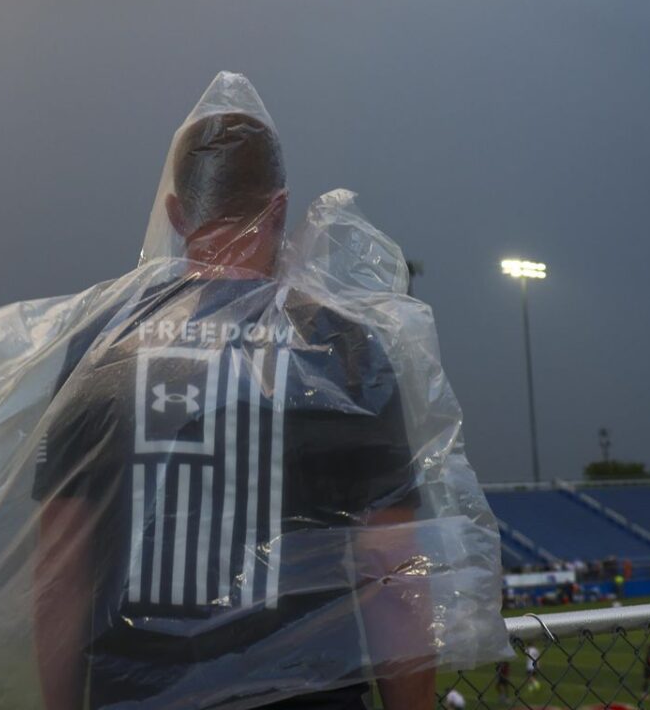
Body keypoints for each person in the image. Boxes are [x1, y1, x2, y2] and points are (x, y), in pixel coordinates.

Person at [32, 108, 431, 710]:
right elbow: (394, 571)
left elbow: (60, 573)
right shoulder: (342, 351)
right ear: (279, 209)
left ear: (175, 213)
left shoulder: (104, 350)